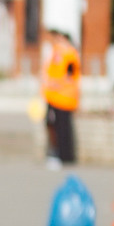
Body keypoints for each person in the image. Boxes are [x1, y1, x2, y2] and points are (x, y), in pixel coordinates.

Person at [42, 28, 81, 168]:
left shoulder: (69, 54)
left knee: (63, 129)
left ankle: (64, 156)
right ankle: (58, 153)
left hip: (64, 97)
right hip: (53, 97)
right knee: (54, 126)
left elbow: (70, 75)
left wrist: (56, 84)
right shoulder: (56, 52)